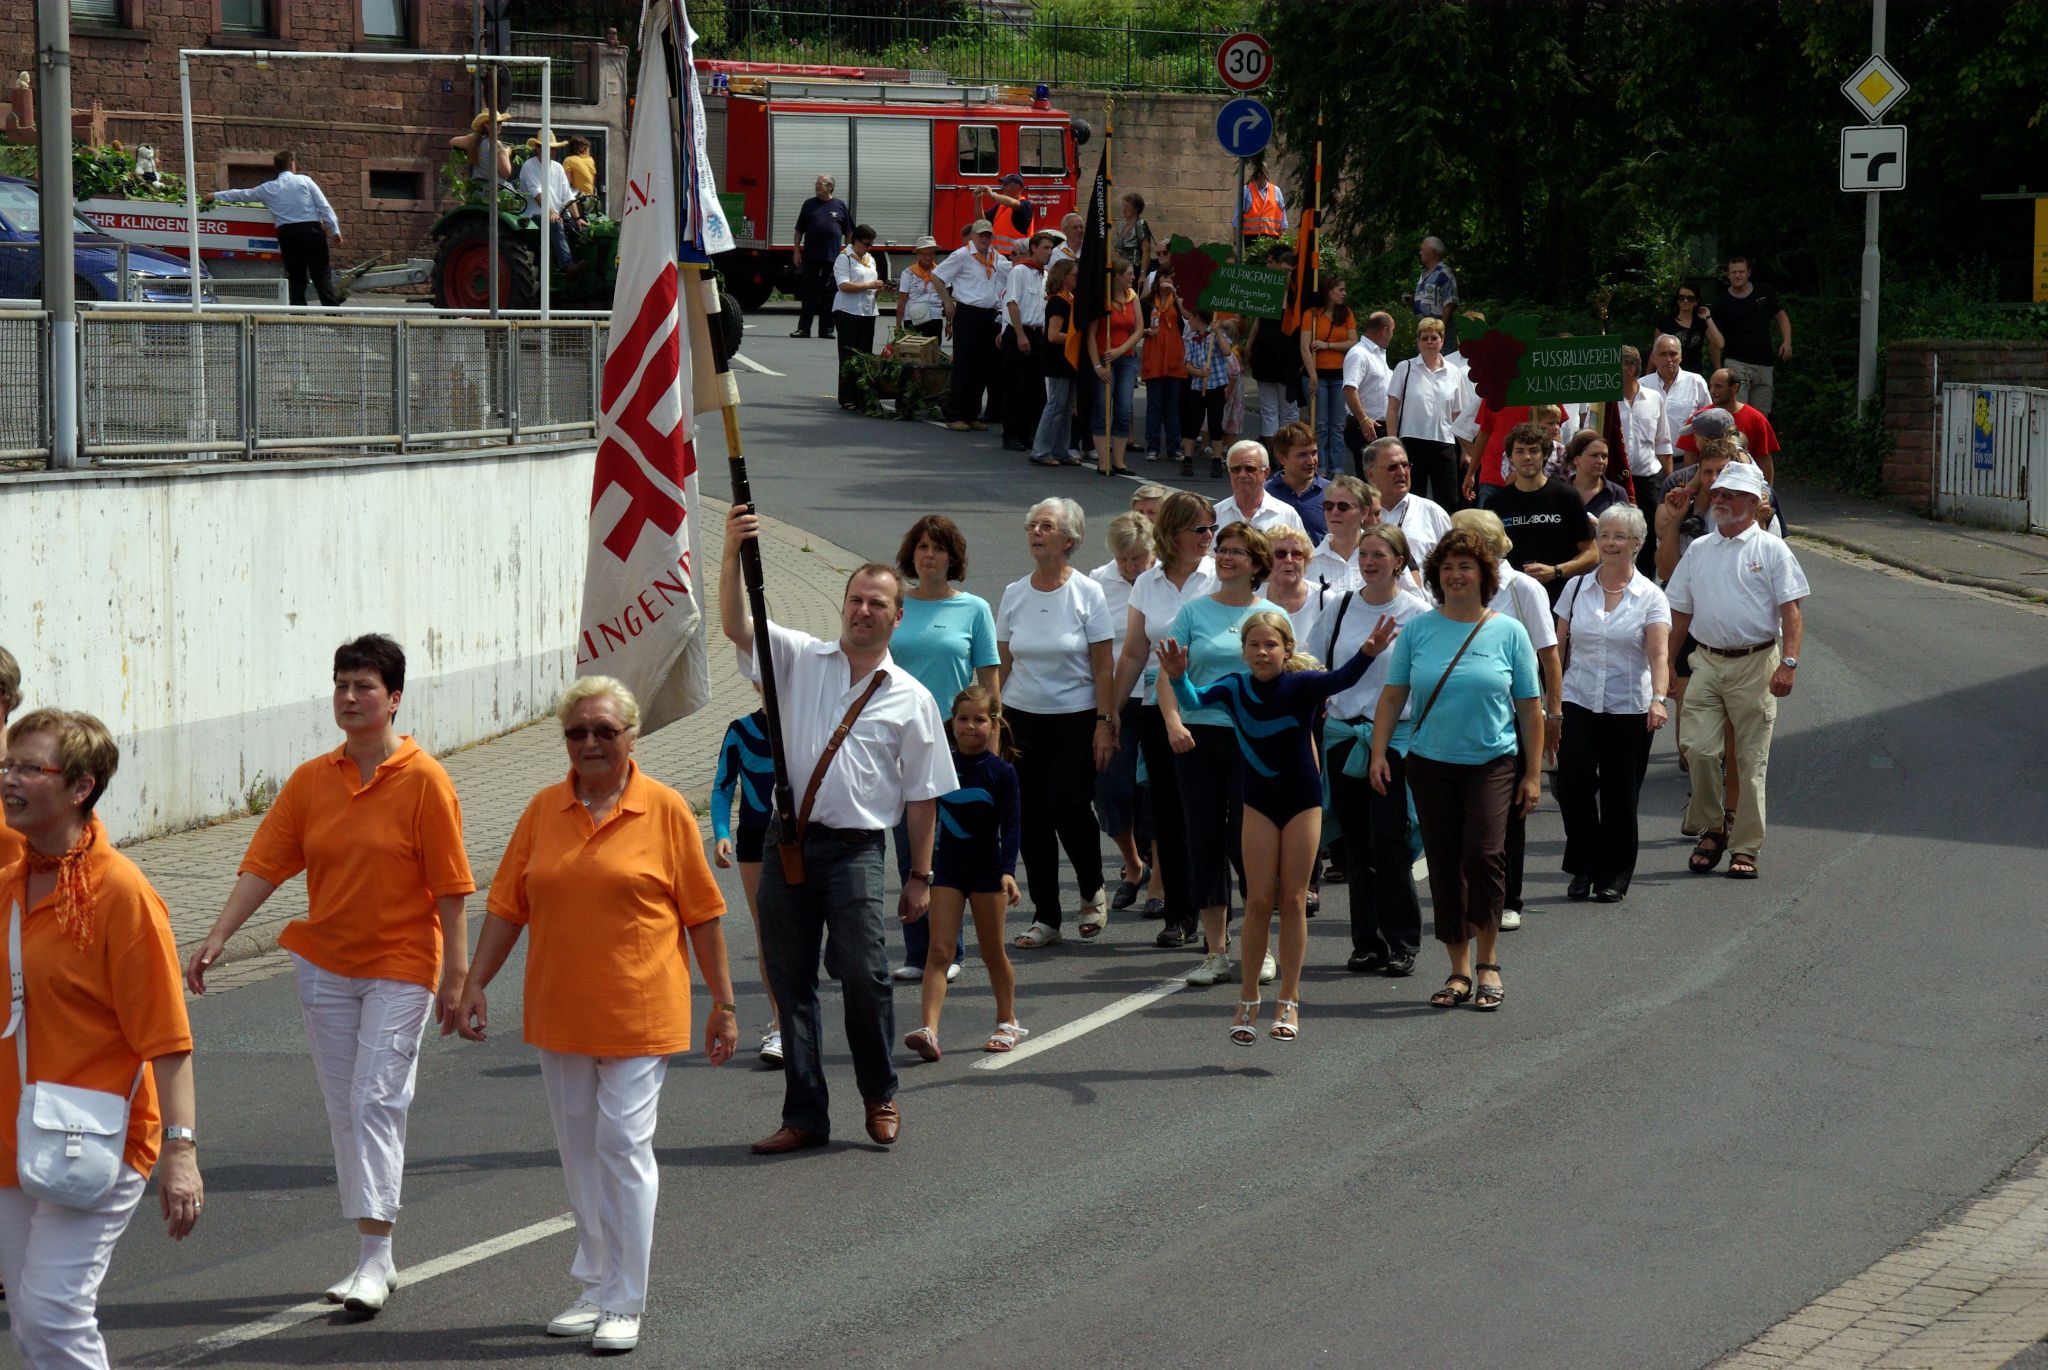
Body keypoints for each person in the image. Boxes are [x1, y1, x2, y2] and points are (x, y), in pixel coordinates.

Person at [185, 634, 470, 1312]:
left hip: (401, 966)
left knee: (377, 1099)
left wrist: (458, 977)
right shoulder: (313, 780)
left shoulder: (426, 780)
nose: (348, 697)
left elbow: (453, 889)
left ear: (394, 697)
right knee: (347, 1107)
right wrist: (217, 934)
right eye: (341, 685)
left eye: (363, 686)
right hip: (326, 968)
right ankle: (379, 1253)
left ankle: (373, 1256)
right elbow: (266, 864)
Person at [452, 678, 734, 1353]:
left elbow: (704, 916)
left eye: (604, 731)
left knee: (621, 1145)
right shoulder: (543, 810)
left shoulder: (665, 810)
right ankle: (596, 1280)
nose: (590, 744)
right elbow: (507, 907)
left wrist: (724, 1004)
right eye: (577, 732)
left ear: (631, 735)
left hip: (640, 1010)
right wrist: (472, 982)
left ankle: (625, 1300)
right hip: (561, 1008)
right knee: (580, 1149)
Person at [720, 507, 955, 1154]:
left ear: (896, 617)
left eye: (877, 603)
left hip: (854, 852)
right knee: (789, 980)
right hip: (786, 842)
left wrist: (920, 876)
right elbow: (736, 625)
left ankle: (879, 1093)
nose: (862, 611)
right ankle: (805, 1116)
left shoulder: (912, 698)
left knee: (864, 975)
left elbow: (922, 796)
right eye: (855, 599)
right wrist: (732, 551)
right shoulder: (798, 657)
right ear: (842, 605)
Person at [0, 709, 201, 1369]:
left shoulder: (120, 893)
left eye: (30, 768)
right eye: (8, 765)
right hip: (9, 1139)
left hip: (95, 1137)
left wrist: (180, 1151)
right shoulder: (7, 888)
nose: (10, 779)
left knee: (53, 1314)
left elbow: (167, 1038)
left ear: (80, 787)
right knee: (30, 1322)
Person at [1160, 608, 1371, 1043]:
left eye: (1271, 644)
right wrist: (1179, 676)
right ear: (1243, 651)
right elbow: (1195, 700)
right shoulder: (1235, 687)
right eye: (1253, 645)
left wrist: (1369, 650)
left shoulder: (1302, 685)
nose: (1261, 652)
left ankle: (1289, 1000)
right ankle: (1249, 996)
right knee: (1258, 901)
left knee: (1292, 900)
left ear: (1286, 649)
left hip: (1302, 803)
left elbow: (1344, 678)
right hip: (1257, 802)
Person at [1368, 530, 1542, 1013]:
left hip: (1492, 762)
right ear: (1435, 578)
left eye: (1465, 567)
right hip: (1428, 763)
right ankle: (1459, 969)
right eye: (1446, 568)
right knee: (1443, 864)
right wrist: (1379, 753)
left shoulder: (1508, 631)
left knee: (1484, 855)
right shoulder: (1419, 630)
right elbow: (1392, 697)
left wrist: (1533, 773)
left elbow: (1530, 708)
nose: (1455, 575)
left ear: (1484, 576)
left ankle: (1489, 964)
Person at [1665, 462, 1809, 881]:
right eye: (1719, 493)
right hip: (1706, 661)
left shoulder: (1771, 549)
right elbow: (1678, 614)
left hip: (1757, 662)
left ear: (1752, 503)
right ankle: (1714, 825)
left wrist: (1789, 663)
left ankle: (1743, 846)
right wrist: (1665, 669)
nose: (1720, 499)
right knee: (1698, 748)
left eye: (1731, 494)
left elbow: (1792, 612)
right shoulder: (1700, 549)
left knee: (1750, 762)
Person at [1156, 522, 1274, 987]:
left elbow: (1281, 678)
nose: (1225, 557)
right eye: (1222, 550)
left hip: (1251, 742)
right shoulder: (1193, 612)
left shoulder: (1268, 614)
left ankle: (1259, 947)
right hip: (1196, 739)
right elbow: (1166, 674)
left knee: (1250, 846)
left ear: (1256, 563)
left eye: (1237, 552)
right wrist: (1173, 722)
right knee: (1202, 840)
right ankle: (1215, 952)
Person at [1001, 499, 1119, 947]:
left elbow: (1103, 665)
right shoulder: (1015, 593)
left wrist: (1105, 722)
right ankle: (1046, 915)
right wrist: (996, 722)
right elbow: (1002, 663)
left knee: (1069, 807)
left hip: (1075, 717)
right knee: (1030, 817)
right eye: (1031, 525)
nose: (1035, 532)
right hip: (1021, 719)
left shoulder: (1087, 592)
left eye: (1045, 526)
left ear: (1068, 540)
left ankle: (1091, 889)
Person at [1314, 525, 1431, 974]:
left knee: (1390, 840)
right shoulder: (1340, 606)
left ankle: (1402, 942)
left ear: (1399, 560)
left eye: (1379, 554)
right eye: (1363, 554)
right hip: (1344, 737)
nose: (1368, 562)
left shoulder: (1418, 614)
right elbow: (1314, 662)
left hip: (1397, 742)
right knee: (1356, 845)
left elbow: (1423, 680)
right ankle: (1366, 942)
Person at [888, 515, 1000, 981]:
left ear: (953, 558)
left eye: (938, 548)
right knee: (908, 849)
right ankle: (919, 954)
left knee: (949, 850)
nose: (929, 555)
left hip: (956, 745)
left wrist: (991, 746)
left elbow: (990, 683)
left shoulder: (973, 609)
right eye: (922, 547)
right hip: (898, 742)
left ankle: (948, 951)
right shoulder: (897, 607)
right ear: (911, 555)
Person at [1111, 492, 1220, 949]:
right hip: (1158, 709)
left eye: (1212, 527)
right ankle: (1179, 913)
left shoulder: (1218, 575)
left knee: (1212, 816)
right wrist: (1109, 714)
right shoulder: (1148, 583)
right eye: (1200, 529)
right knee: (1169, 816)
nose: (1209, 537)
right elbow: (1135, 651)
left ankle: (1216, 908)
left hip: (1211, 711)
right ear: (1173, 533)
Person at [1451, 508, 1564, 931]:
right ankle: (1466, 896)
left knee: (1510, 810)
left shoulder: (1523, 589)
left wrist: (1554, 712)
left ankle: (1506, 898)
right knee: (1462, 812)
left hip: (1514, 715)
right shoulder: (1453, 585)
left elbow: (1548, 657)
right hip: (1460, 715)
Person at [1554, 505, 1671, 903]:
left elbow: (1658, 656)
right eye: (1604, 535)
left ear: (1637, 544)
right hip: (1579, 699)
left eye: (1620, 536)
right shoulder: (1574, 589)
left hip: (1630, 707)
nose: (1610, 543)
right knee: (1573, 784)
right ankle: (1584, 863)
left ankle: (1614, 873)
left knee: (1621, 794)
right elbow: (1557, 650)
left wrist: (1658, 699)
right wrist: (1552, 702)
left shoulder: (1650, 597)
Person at [903, 685, 1025, 1059]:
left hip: (988, 873)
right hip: (949, 872)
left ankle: (1007, 1020)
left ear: (993, 725)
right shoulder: (942, 767)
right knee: (938, 951)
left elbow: (1013, 825)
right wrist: (921, 872)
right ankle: (930, 1029)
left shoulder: (1001, 773)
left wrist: (1008, 871)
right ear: (951, 722)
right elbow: (923, 812)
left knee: (992, 952)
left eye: (979, 719)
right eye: (962, 718)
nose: (969, 726)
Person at [1091, 511, 1160, 917]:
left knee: (1158, 794)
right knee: (1110, 788)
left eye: (1139, 557)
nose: (1132, 567)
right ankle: (1133, 863)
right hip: (1116, 697)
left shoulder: (1164, 580)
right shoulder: (1097, 583)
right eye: (1125, 560)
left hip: (1162, 699)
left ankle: (1159, 881)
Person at [711, 697, 783, 1067]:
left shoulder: (808, 720)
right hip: (755, 842)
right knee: (768, 932)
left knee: (804, 930)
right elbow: (722, 787)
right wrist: (721, 832)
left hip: (803, 839)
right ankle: (779, 1024)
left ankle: (799, 1019)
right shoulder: (741, 730)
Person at [1481, 421, 1597, 604]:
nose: (1527, 457)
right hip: (1511, 600)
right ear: (1510, 457)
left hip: (1561, 599)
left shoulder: (1567, 496)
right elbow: (1485, 556)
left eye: (1534, 450)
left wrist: (1556, 571)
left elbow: (1591, 554)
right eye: (1519, 451)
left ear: (1545, 455)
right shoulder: (1495, 503)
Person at [212, 149, 342, 307]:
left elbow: (243, 195)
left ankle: (298, 318)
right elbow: (324, 206)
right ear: (292, 165)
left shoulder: (268, 188)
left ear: (276, 167)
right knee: (321, 275)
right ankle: (333, 315)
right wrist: (335, 230)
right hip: (312, 231)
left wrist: (215, 196)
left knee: (296, 277)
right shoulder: (305, 181)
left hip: (288, 234)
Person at [1384, 318, 1466, 506]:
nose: (1429, 342)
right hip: (1411, 442)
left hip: (1444, 443)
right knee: (1412, 498)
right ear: (1418, 342)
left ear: (1442, 341)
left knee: (1447, 500)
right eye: (1424, 338)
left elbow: (1457, 415)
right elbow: (1392, 408)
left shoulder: (1453, 372)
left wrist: (1466, 450)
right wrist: (1392, 442)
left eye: (1433, 338)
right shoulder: (1405, 368)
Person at [939, 219, 1005, 431]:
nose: (985, 239)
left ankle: (971, 413)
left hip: (989, 314)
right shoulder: (962, 255)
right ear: (973, 236)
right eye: (981, 235)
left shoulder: (995, 256)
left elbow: (1014, 269)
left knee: (983, 367)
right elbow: (937, 276)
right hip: (968, 313)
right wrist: (947, 301)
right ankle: (955, 414)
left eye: (988, 235)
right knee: (964, 365)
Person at [1705, 254, 1792, 414]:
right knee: (1738, 413)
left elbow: (1781, 316)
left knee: (1761, 415)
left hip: (1764, 362)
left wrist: (1787, 341)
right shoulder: (1722, 303)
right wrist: (1719, 371)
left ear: (1748, 272)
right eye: (1733, 272)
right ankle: (1736, 440)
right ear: (1728, 274)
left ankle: (1757, 440)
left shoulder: (1764, 292)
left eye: (1741, 271)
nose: (1737, 275)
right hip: (1736, 363)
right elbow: (1715, 341)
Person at [1086, 259, 1146, 477]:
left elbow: (1139, 329)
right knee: (1103, 408)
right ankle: (1103, 461)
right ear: (1118, 276)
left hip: (1126, 358)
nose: (1132, 277)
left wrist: (1121, 349)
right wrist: (1096, 365)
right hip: (1104, 358)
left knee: (1123, 408)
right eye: (1129, 274)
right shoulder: (1102, 300)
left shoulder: (1132, 297)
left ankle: (1119, 461)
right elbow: (1091, 336)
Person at [1366, 436, 1452, 577]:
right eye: (1392, 467)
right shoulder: (1354, 513)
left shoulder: (1433, 512)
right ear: (1371, 474)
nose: (1402, 472)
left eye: (1405, 465)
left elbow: (1450, 565)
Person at [1678, 370, 1782, 484]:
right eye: (1711, 386)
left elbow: (1764, 459)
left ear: (1735, 388)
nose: (1712, 391)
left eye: (1718, 386)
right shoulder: (1700, 418)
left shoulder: (1756, 418)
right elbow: (1690, 457)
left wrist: (1767, 492)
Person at [1244, 243, 1302, 441]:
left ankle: (1289, 447)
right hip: (1265, 356)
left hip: (1288, 359)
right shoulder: (1268, 292)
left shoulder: (1299, 298)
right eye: (1283, 270)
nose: (1285, 275)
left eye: (1288, 271)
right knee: (1268, 408)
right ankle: (1272, 451)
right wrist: (1249, 347)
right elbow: (1258, 321)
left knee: (1289, 408)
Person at [1299, 280, 1358, 476]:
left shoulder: (1346, 313)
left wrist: (1328, 346)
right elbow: (1304, 346)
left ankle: (1337, 467)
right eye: (1340, 290)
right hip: (1317, 376)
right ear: (1329, 291)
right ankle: (1321, 467)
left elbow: (1353, 342)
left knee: (1338, 425)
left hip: (1340, 376)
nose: (1344, 293)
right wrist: (1313, 375)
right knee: (1320, 424)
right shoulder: (1312, 315)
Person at [790, 174, 852, 339]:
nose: (817, 186)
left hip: (832, 257)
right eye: (816, 184)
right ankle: (804, 329)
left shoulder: (839, 205)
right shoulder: (809, 204)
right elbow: (798, 230)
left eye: (821, 184)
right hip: (810, 256)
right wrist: (796, 250)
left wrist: (848, 253)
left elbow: (848, 232)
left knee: (829, 293)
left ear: (830, 187)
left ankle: (826, 329)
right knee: (808, 293)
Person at [1033, 257, 1081, 467]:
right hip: (1058, 359)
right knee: (1056, 405)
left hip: (1068, 359)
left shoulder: (1069, 299)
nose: (1077, 278)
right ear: (1064, 277)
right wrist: (1076, 336)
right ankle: (1041, 450)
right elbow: (1053, 335)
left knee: (1067, 406)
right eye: (1074, 275)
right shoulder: (1058, 302)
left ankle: (1061, 450)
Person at [1139, 265, 1188, 466]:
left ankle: (1174, 446)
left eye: (1171, 277)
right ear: (1158, 279)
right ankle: (1152, 446)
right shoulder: (1148, 302)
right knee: (1155, 405)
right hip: (1155, 355)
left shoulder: (1178, 301)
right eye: (1164, 276)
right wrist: (1144, 331)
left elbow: (1188, 318)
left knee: (1172, 406)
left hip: (1174, 355)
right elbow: (1137, 327)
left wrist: (1176, 295)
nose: (1167, 280)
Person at [832, 225, 885, 411]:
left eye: (871, 244)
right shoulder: (844, 258)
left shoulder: (870, 259)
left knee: (865, 355)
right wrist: (869, 284)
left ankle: (862, 394)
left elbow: (871, 284)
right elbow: (843, 285)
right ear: (855, 240)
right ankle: (846, 397)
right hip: (847, 310)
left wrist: (878, 287)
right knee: (848, 355)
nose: (869, 248)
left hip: (868, 311)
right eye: (866, 243)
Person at [1213, 439, 1307, 537]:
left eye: (1250, 469)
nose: (1242, 475)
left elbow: (1305, 551)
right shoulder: (1215, 515)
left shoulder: (1287, 515)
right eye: (1235, 469)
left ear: (1265, 473)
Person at [1181, 309, 1234, 477]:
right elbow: (1187, 364)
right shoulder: (1191, 338)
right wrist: (1198, 372)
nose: (1188, 320)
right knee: (1192, 422)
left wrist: (1217, 331)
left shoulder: (1216, 336)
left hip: (1216, 385)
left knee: (1215, 423)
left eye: (1191, 317)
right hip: (1198, 386)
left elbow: (1227, 351)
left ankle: (1217, 460)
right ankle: (1187, 460)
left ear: (1198, 317)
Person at [1261, 524, 1333, 648]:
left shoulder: (1325, 600)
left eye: (1296, 554)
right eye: (1280, 554)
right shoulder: (1251, 599)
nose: (1289, 559)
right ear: (1266, 559)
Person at [1342, 311, 1396, 476]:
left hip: (1378, 427)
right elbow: (1349, 389)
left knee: (1380, 480)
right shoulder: (1359, 354)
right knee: (1369, 482)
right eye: (1392, 331)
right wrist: (1363, 419)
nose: (1392, 335)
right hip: (1365, 428)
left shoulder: (1378, 354)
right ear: (1384, 330)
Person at [1307, 474, 1379, 595]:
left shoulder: (1383, 554)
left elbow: (1411, 601)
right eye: (1329, 506)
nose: (1334, 512)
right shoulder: (1310, 563)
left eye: (1343, 506)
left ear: (1364, 512)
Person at [1612, 344, 1674, 485]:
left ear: (1631, 369)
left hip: (1648, 481)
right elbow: (1591, 438)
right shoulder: (1604, 402)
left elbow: (1663, 442)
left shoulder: (1654, 398)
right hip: (1614, 479)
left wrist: (1670, 484)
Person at [517, 135, 578, 273]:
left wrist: (578, 218)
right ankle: (567, 265)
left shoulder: (558, 167)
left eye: (553, 148)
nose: (552, 151)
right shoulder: (529, 166)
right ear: (538, 148)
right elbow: (537, 193)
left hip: (555, 215)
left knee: (579, 229)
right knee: (555, 223)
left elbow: (568, 195)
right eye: (548, 148)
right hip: (533, 215)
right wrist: (551, 212)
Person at [1642, 333, 1713, 446]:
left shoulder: (1696, 382)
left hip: (1687, 459)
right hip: (1651, 460)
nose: (1668, 359)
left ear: (1680, 357)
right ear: (1654, 358)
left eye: (1673, 354)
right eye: (1663, 354)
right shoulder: (1642, 385)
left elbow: (1709, 420)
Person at [1264, 421, 1329, 542]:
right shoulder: (1265, 493)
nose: (1311, 461)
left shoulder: (1332, 493)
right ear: (1282, 458)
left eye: (1314, 453)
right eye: (1302, 455)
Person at [1565, 430, 1632, 521]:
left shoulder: (1616, 493)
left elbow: (1626, 531)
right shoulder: (1559, 491)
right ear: (1576, 459)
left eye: (1604, 456)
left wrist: (1600, 528)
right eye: (1594, 455)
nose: (1601, 461)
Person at [1408, 235, 1459, 349]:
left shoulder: (1444, 273)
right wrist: (1412, 301)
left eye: (1423, 250)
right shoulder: (1424, 273)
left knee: (1441, 363)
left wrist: (1441, 330)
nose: (1420, 252)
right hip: (1424, 329)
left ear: (1433, 253)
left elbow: (1450, 302)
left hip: (1439, 332)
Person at [895, 235, 951, 339]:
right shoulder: (908, 273)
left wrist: (949, 323)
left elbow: (947, 301)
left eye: (931, 254)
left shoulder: (941, 272)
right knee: (913, 352)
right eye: (925, 254)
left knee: (932, 352)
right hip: (913, 319)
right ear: (918, 255)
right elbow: (902, 301)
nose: (929, 257)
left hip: (935, 318)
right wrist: (898, 325)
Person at [1656, 284, 1711, 377]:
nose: (1685, 301)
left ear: (1696, 301)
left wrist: (1708, 317)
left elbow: (1719, 343)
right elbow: (1656, 352)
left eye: (1690, 298)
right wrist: (1648, 377)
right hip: (1668, 373)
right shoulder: (1666, 322)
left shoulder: (1701, 324)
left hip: (1693, 374)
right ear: (1677, 300)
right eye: (1681, 298)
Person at [449, 108, 513, 187]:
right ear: (486, 125)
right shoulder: (497, 145)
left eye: (500, 122)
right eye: (497, 122)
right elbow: (506, 173)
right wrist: (506, 151)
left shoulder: (474, 140)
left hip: (477, 189)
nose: (499, 125)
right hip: (496, 192)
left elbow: (452, 141)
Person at [978, 172, 1036, 257]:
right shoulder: (1000, 206)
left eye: (1006, 184)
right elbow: (981, 221)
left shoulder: (1026, 205)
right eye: (1003, 184)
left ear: (1018, 187)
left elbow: (1013, 203)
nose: (1003, 187)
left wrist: (992, 194)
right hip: (997, 256)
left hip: (1017, 256)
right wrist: (978, 200)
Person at [1238, 161, 1288, 245]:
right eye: (1258, 173)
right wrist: (1236, 236)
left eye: (1262, 172)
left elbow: (1283, 216)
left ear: (1267, 173)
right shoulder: (1247, 190)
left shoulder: (1276, 191)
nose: (1260, 176)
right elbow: (1238, 215)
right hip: (1252, 238)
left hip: (1272, 237)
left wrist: (1282, 234)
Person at [1116, 191, 1156, 276]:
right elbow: (1119, 252)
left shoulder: (1141, 225)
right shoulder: (1120, 226)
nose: (1124, 209)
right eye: (1123, 206)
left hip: (1135, 270)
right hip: (1122, 271)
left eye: (1127, 206)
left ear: (1136, 208)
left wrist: (1143, 273)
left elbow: (1147, 251)